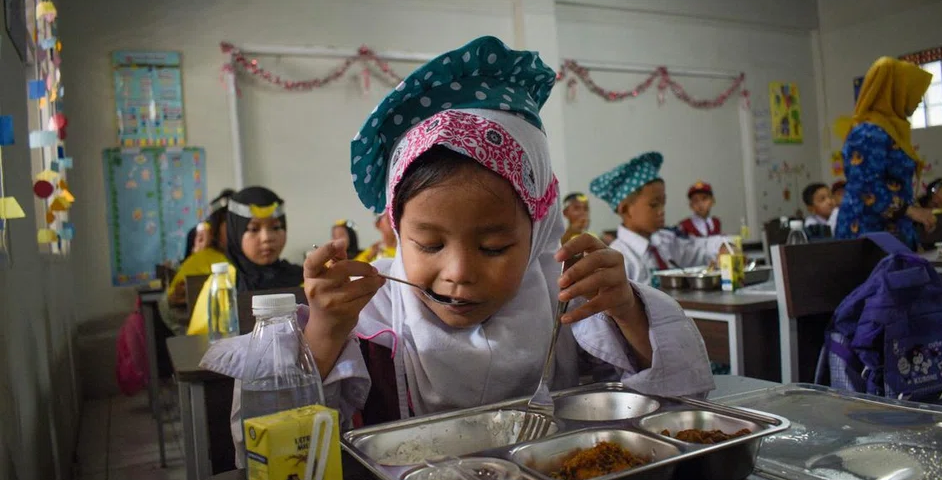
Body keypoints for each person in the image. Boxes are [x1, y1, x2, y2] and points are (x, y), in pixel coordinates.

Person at [200, 37, 713, 451]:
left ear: (537, 232)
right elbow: (268, 448)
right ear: (398, 232)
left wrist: (626, 310)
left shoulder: (570, 300)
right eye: (427, 244)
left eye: (493, 247)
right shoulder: (369, 315)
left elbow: (680, 400)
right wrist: (327, 334)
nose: (459, 272)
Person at [834, 57, 937, 248]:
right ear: (896, 91)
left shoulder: (892, 131)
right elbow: (865, 186)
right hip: (868, 234)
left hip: (892, 231)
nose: (920, 99)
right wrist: (912, 212)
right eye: (915, 92)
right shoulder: (868, 133)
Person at [590, 152, 726, 286]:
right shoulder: (619, 260)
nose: (662, 211)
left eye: (663, 203)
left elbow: (699, 248)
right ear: (625, 209)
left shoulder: (665, 242)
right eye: (654, 205)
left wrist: (722, 246)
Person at [186, 187, 303, 335]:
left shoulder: (301, 277)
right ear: (235, 232)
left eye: (276, 227)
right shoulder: (224, 283)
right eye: (254, 229)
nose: (267, 237)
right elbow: (201, 344)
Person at [167, 188, 234, 305]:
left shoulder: (253, 260)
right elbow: (172, 302)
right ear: (216, 228)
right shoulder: (201, 261)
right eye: (232, 224)